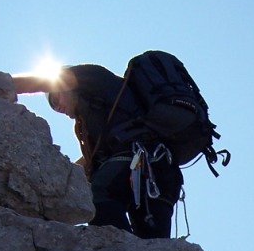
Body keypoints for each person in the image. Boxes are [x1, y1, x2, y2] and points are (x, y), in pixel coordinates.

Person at [13, 64, 182, 238]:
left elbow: (45, 82)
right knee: (153, 245)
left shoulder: (93, 79)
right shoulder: (92, 124)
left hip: (141, 163)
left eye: (56, 99)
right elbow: (89, 164)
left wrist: (2, 83)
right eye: (53, 107)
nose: (58, 108)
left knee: (95, 197)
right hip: (159, 172)